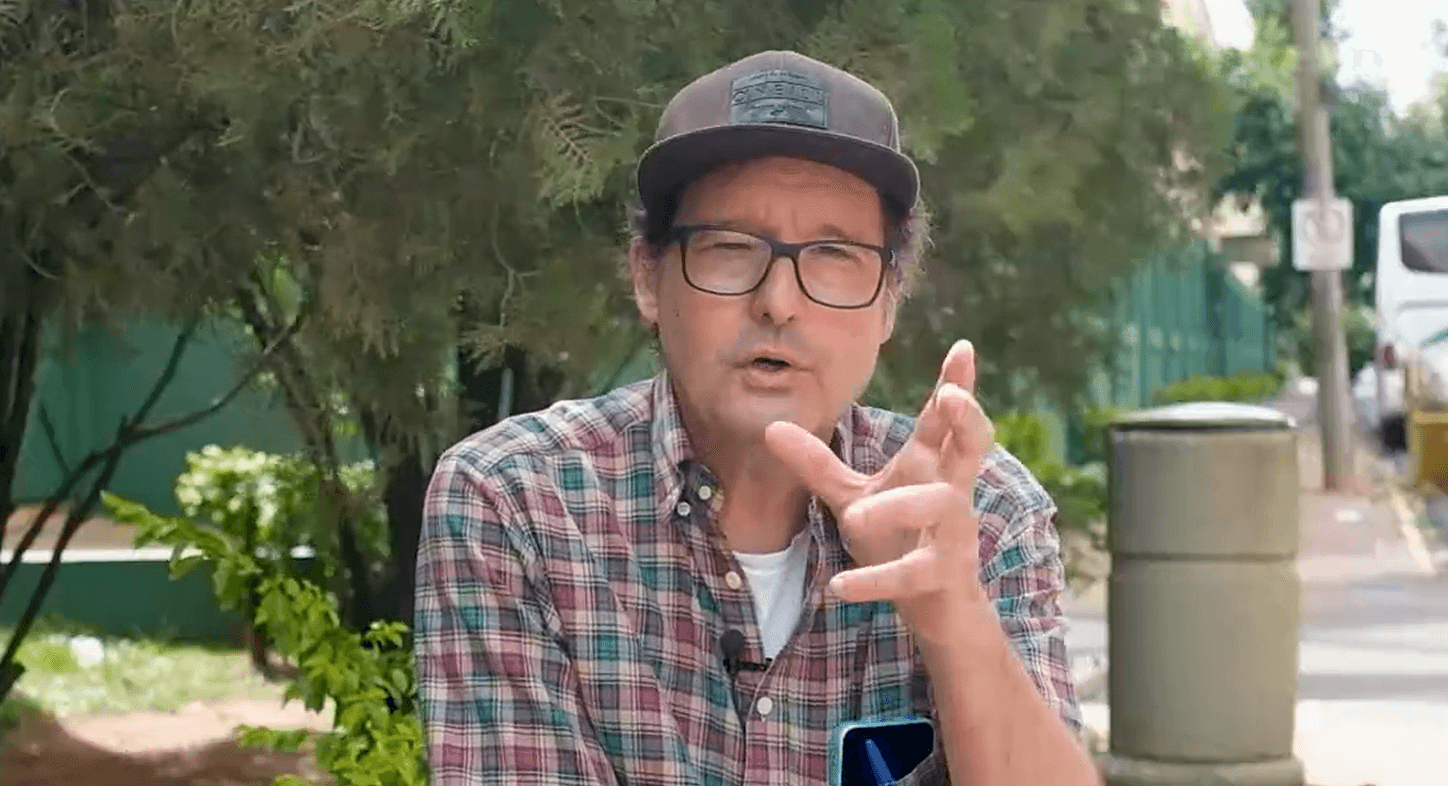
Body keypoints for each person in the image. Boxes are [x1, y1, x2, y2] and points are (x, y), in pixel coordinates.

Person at [415, 50, 1098, 786]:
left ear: (889, 300)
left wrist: (950, 615)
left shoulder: (983, 510)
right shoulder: (517, 501)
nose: (779, 300)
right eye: (730, 248)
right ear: (648, 277)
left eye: (833, 255)